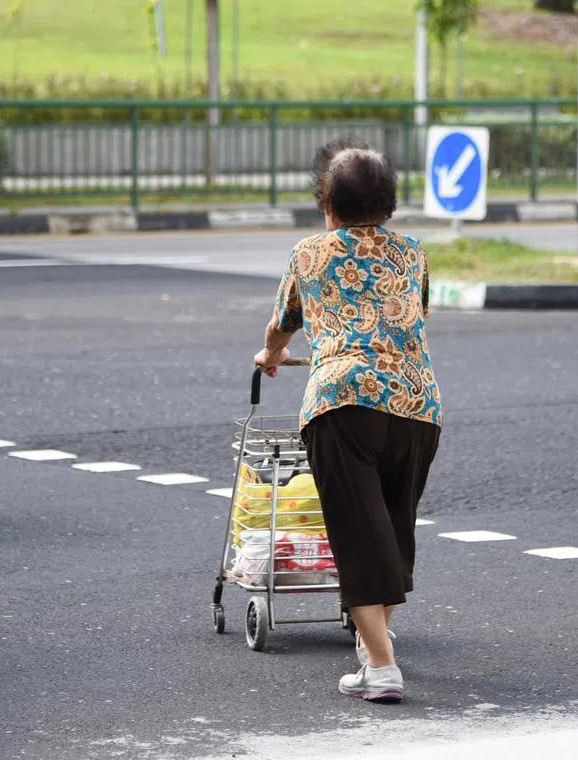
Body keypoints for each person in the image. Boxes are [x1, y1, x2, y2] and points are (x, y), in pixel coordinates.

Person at [253, 138, 441, 704]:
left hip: (341, 403)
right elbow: (417, 316)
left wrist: (269, 356)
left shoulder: (310, 252)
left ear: (326, 203)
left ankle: (382, 667)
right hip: (416, 404)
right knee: (391, 529)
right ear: (387, 203)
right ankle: (371, 649)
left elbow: (284, 323)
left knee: (358, 537)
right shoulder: (411, 252)